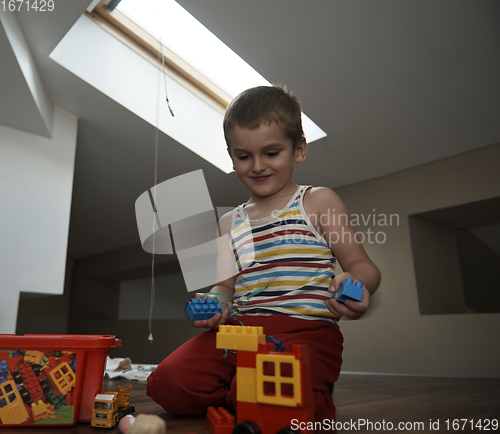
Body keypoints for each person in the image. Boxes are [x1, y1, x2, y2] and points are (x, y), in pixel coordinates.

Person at [147, 85, 380, 424]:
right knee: (165, 383)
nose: (257, 166)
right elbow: (225, 287)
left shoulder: (318, 202)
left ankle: (282, 395)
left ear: (298, 149)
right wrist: (215, 307)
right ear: (232, 157)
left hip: (305, 332)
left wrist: (357, 284)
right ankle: (256, 395)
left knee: (259, 389)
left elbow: (363, 266)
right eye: (244, 157)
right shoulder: (228, 221)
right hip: (239, 331)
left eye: (271, 153)